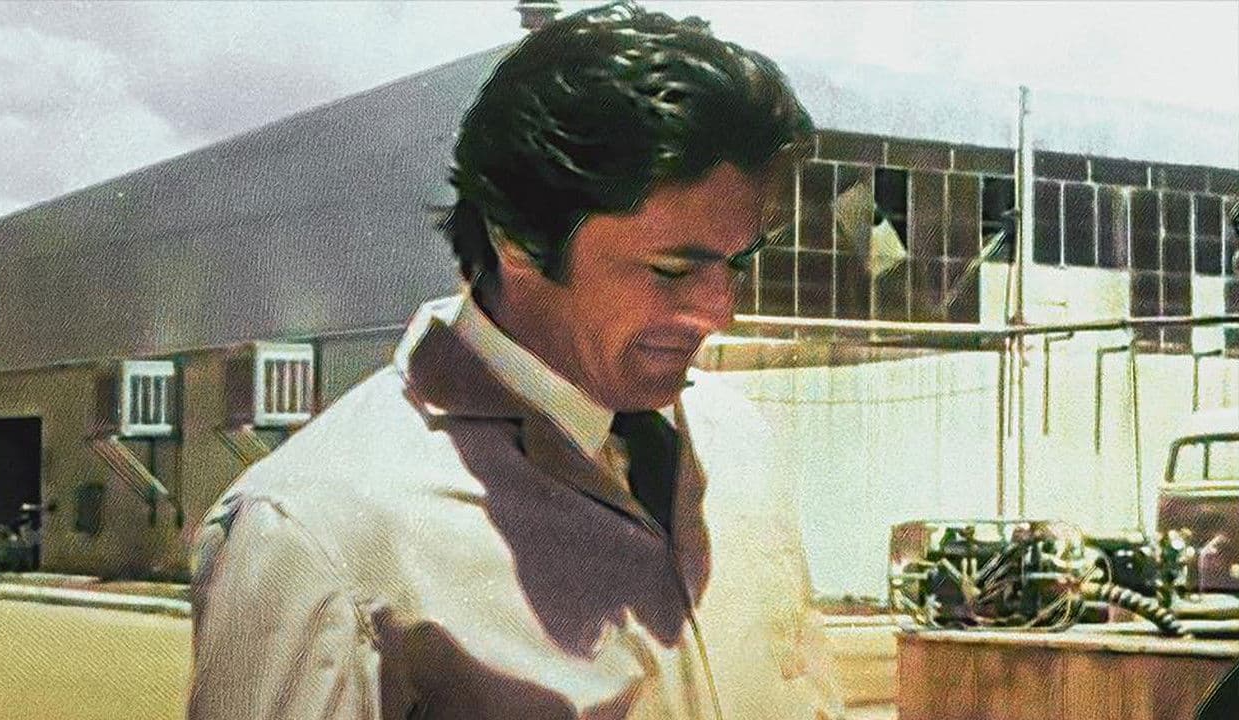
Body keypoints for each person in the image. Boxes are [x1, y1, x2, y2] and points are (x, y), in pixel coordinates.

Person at [188, 3, 843, 718]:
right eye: (671, 270)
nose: (720, 313)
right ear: (520, 239)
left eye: (738, 263)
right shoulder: (317, 534)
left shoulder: (740, 445)